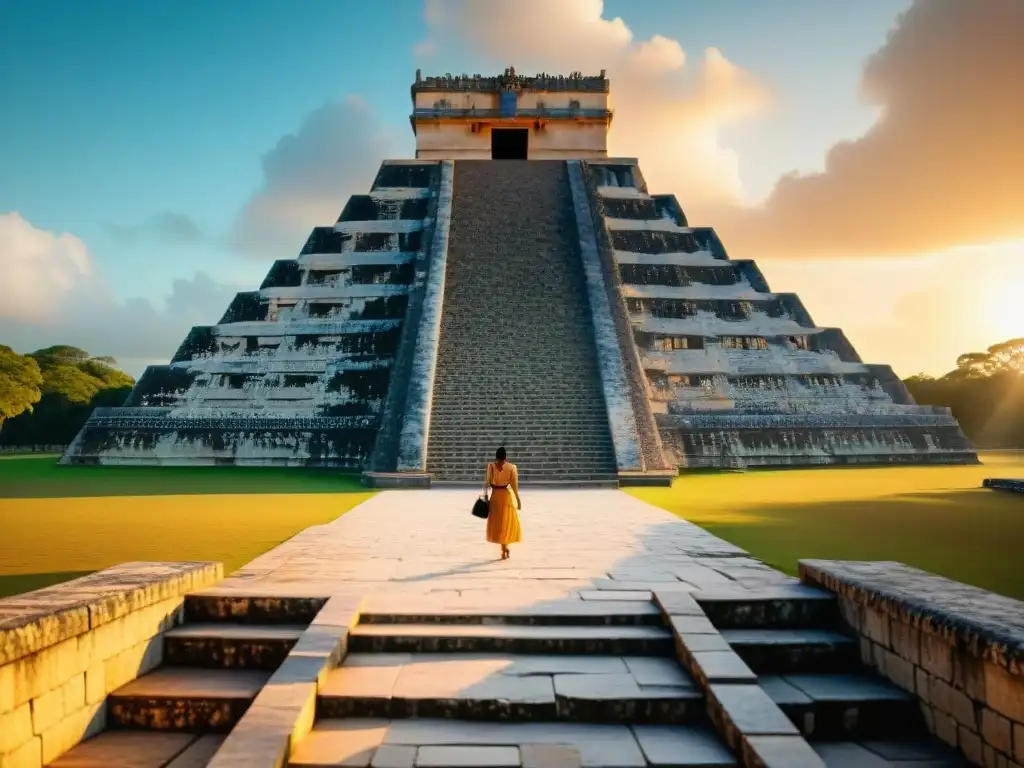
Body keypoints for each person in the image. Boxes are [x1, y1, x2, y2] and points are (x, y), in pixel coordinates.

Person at [484, 446, 522, 560]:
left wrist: (486, 496)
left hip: (495, 496)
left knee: (499, 524)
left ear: (496, 456)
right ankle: (505, 548)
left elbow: (487, 483)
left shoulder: (491, 467)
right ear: (506, 456)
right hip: (506, 497)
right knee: (505, 523)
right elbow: (514, 486)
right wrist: (518, 500)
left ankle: (503, 549)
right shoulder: (512, 467)